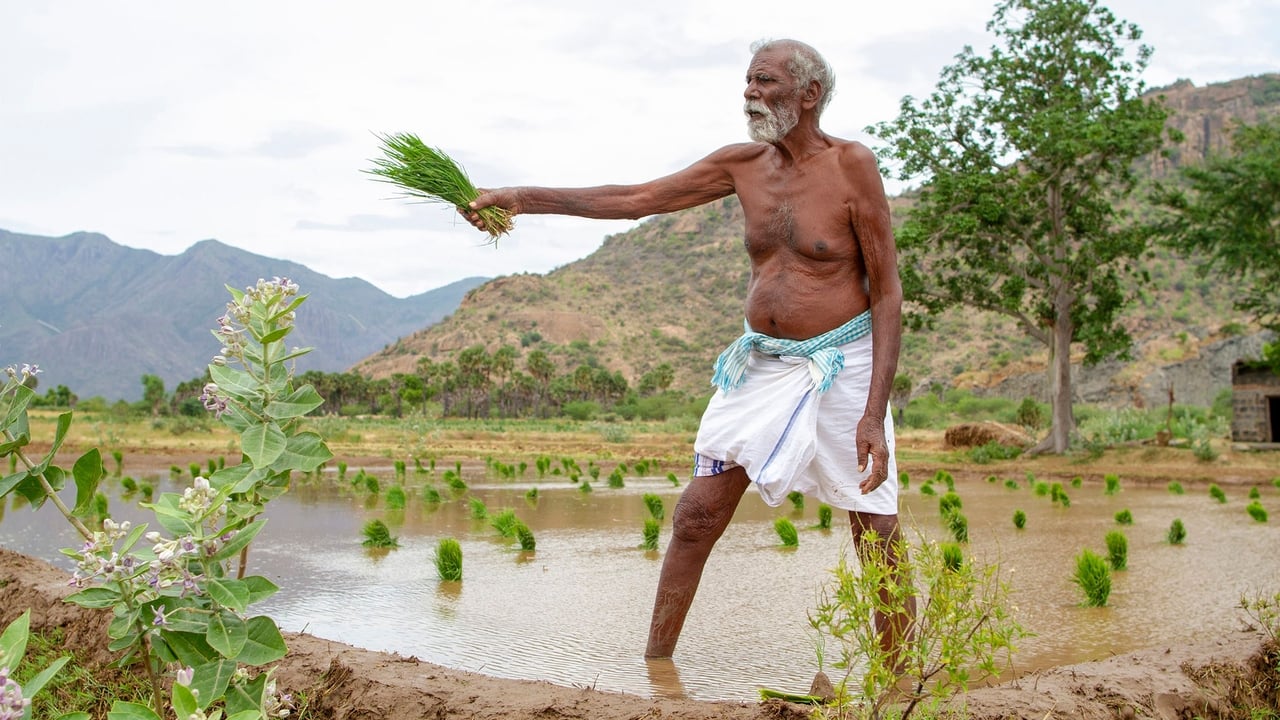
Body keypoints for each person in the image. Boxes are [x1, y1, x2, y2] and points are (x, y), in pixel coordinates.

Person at [464, 38, 912, 661]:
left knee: (874, 524)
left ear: (810, 95)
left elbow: (887, 292)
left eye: (766, 81)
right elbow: (636, 200)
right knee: (696, 515)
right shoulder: (741, 164)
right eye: (748, 81)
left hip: (844, 363)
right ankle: (657, 670)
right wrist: (524, 198)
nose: (750, 92)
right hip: (762, 364)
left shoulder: (851, 165)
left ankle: (904, 679)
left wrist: (873, 414)